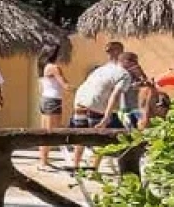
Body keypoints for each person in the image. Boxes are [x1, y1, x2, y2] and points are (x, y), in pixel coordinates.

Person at [70, 42, 133, 174]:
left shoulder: (100, 69)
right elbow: (114, 95)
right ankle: (94, 170)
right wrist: (106, 116)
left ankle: (75, 166)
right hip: (96, 105)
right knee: (100, 140)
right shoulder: (124, 74)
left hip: (80, 100)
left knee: (80, 136)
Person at [36, 47, 69, 169]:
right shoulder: (54, 68)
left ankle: (43, 160)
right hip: (53, 100)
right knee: (50, 132)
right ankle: (43, 162)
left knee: (45, 131)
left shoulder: (42, 67)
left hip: (45, 99)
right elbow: (65, 85)